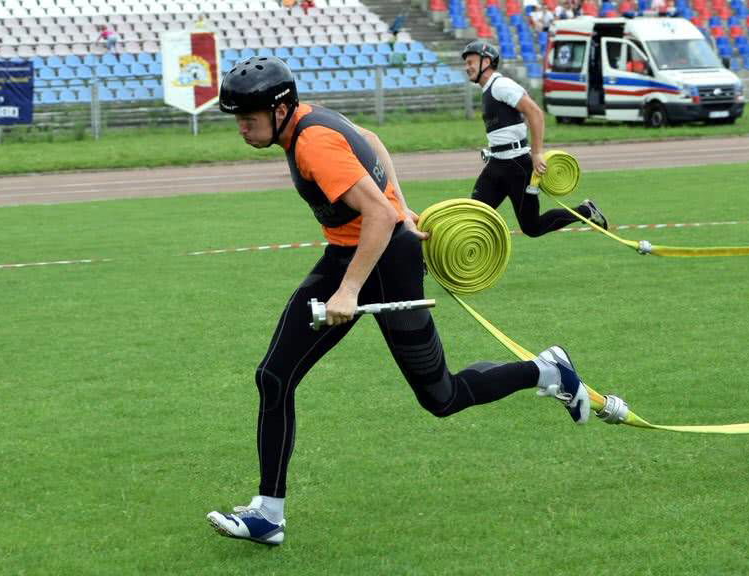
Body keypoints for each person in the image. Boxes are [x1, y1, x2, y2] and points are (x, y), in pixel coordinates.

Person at [205, 56, 592, 546]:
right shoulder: (308, 119)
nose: (242, 128)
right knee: (274, 377)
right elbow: (373, 141)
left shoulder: (314, 143)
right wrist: (400, 204)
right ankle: (268, 513)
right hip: (352, 251)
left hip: (386, 262)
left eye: (249, 118)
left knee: (442, 398)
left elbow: (377, 218)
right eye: (238, 118)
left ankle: (549, 371)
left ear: (281, 108)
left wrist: (358, 274)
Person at [463, 41, 609, 237]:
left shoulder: (501, 85)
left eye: (470, 62)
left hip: (518, 168)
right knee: (473, 215)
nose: (467, 67)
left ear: (486, 61)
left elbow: (535, 113)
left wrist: (537, 152)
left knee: (532, 228)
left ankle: (586, 211)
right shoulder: (488, 89)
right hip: (497, 165)